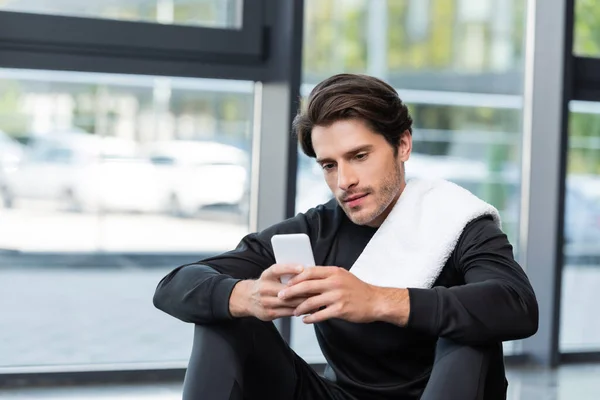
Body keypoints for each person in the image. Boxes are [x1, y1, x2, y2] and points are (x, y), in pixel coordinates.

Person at [153, 73, 539, 400]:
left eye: (359, 156)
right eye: (329, 165)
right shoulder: (317, 228)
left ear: (402, 145)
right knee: (224, 316)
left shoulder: (459, 221)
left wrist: (377, 300)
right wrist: (247, 296)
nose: (344, 181)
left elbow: (518, 305)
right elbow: (174, 285)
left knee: (472, 330)